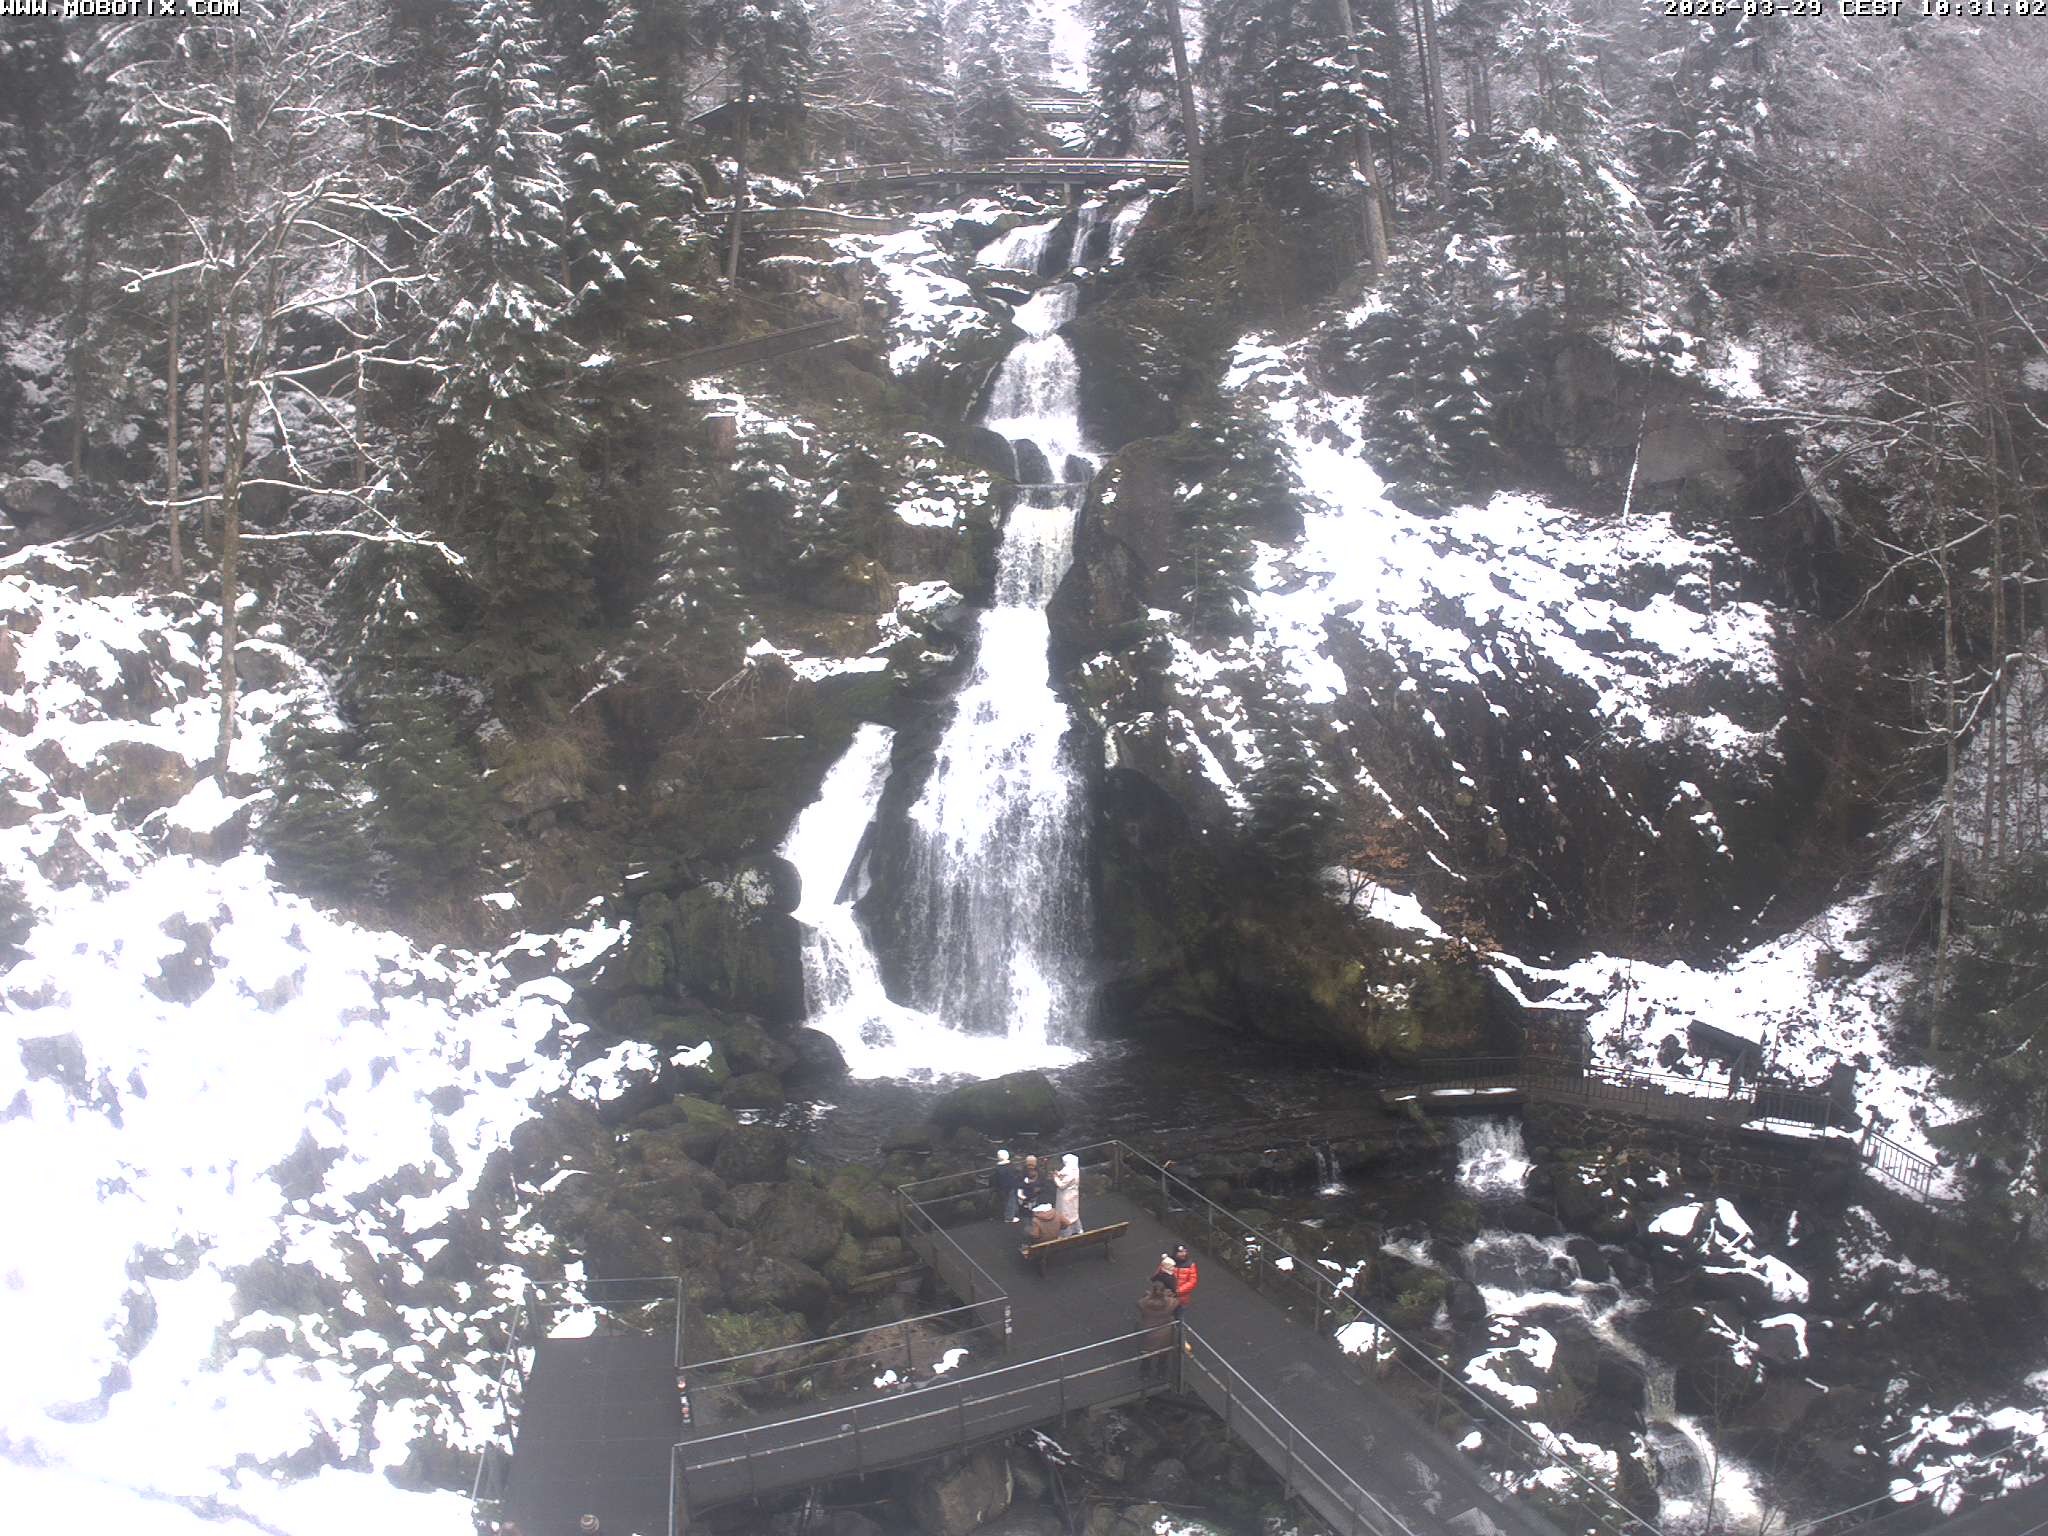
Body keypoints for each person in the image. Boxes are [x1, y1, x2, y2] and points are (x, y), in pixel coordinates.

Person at [1137, 1273, 1179, 1381]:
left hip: (1148, 1332)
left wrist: (1147, 1296)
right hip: (1165, 1332)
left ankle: (1144, 1373)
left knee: (1146, 1354)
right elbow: (1176, 1302)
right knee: (1163, 1354)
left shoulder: (1144, 1303)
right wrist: (1168, 1295)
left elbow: (1139, 1303)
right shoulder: (1170, 1303)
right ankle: (1161, 1373)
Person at [991, 1149, 1024, 1224]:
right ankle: (1009, 1217)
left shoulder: (997, 1168)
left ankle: (1011, 1214)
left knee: (1006, 1202)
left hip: (1001, 1188)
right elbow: (1014, 1176)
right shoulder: (1010, 1167)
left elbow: (995, 1179)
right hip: (1011, 1187)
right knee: (1011, 1201)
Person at [1053, 1152, 1082, 1235]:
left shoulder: (1069, 1171)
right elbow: (1065, 1174)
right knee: (1074, 1213)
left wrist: (1055, 1177)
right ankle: (1077, 1229)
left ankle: (1066, 1233)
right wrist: (1059, 1174)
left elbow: (1061, 1185)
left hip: (1065, 1196)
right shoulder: (1075, 1169)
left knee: (1065, 1214)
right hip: (1074, 1194)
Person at [1170, 1244, 1199, 1314]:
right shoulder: (1168, 1262)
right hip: (1167, 1296)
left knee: (1179, 1317)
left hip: (1181, 1298)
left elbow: (1192, 1282)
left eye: (1184, 1251)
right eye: (1180, 1252)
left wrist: (1178, 1291)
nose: (1183, 1254)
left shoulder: (1190, 1265)